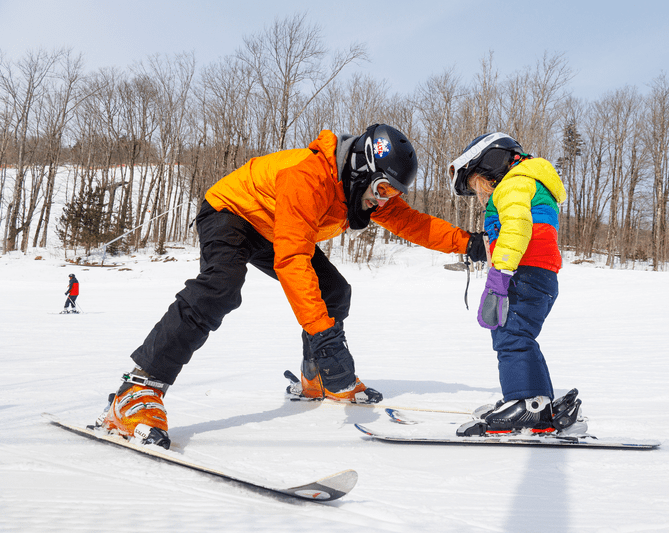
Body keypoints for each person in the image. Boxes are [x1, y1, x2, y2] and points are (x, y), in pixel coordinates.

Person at [97, 124, 487, 449]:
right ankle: (139, 388)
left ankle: (316, 378)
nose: (383, 202)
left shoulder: (365, 191)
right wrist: (324, 336)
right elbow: (292, 261)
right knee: (220, 286)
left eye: (392, 193)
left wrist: (467, 242)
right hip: (232, 212)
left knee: (335, 292)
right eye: (382, 190)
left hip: (274, 226)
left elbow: (411, 222)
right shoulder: (308, 176)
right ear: (360, 171)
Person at [447, 133, 582, 437]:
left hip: (523, 273)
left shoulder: (514, 183)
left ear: (492, 165)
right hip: (541, 276)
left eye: (478, 184)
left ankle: (523, 402)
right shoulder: (532, 183)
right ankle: (537, 405)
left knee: (510, 335)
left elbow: (516, 228)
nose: (480, 195)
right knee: (519, 335)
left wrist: (500, 275)